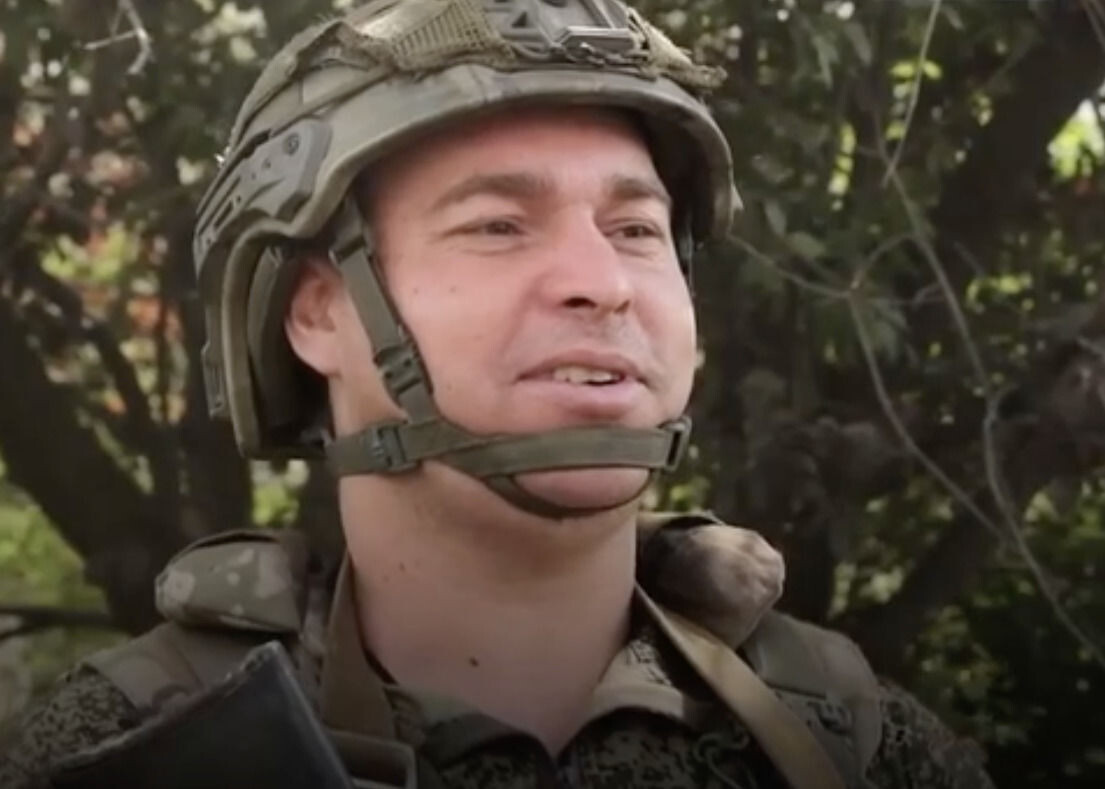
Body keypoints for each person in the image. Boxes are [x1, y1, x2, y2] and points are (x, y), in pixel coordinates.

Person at [0, 0, 995, 787]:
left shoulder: (857, 741)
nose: (602, 282)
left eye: (635, 230)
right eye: (496, 226)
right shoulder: (127, 748)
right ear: (315, 312)